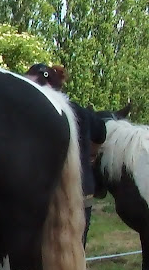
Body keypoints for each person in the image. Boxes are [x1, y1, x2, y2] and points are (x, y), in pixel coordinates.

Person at [24, 63, 107, 247]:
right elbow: (101, 131)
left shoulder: (34, 114)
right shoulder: (79, 111)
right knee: (76, 250)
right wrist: (91, 155)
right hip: (81, 192)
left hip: (49, 195)